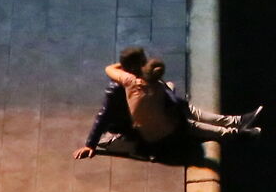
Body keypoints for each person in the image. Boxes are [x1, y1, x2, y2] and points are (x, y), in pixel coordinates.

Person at [74, 46, 262, 161]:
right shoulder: (147, 87)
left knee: (187, 110)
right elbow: (104, 116)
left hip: (149, 125)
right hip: (150, 136)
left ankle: (235, 123)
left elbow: (109, 68)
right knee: (189, 119)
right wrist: (92, 143)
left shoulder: (130, 81)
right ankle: (234, 131)